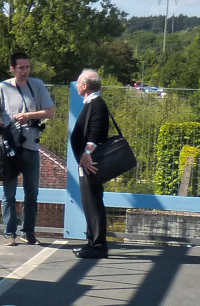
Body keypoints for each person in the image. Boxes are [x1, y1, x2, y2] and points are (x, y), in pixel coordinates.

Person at [0, 51, 56, 245]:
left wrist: (29, 116)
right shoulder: (2, 87)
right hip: (10, 148)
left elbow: (50, 112)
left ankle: (28, 231)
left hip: (31, 146)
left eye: (27, 67)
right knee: (9, 193)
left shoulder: (37, 85)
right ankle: (9, 233)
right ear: (12, 68)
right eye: (21, 68)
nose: (24, 71)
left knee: (32, 192)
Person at [70, 69, 110, 259]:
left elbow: (96, 131)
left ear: (85, 86)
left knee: (93, 201)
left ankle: (98, 245)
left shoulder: (96, 104)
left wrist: (87, 153)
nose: (77, 85)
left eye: (79, 83)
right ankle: (92, 241)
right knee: (89, 201)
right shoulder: (92, 103)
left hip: (91, 162)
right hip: (87, 161)